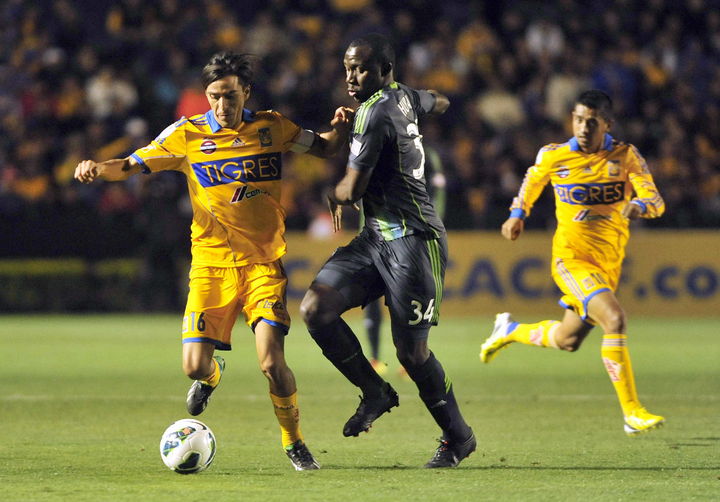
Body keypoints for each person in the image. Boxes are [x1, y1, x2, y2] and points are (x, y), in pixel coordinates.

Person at [75, 51, 353, 470]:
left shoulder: (272, 127)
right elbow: (129, 165)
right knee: (193, 366)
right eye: (214, 96)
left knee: (271, 362)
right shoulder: (186, 135)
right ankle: (211, 375)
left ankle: (293, 442)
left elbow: (325, 148)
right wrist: (97, 168)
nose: (222, 105)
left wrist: (340, 129)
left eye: (230, 96)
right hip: (210, 265)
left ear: (246, 93)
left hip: (262, 265)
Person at [300, 33, 476, 468]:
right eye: (347, 69)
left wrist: (332, 193)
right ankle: (375, 391)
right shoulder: (404, 97)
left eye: (359, 69)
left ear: (384, 69)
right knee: (315, 308)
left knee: (411, 354)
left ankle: (459, 438)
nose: (350, 78)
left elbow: (352, 189)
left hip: (414, 240)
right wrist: (421, 110)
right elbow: (438, 100)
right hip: (376, 237)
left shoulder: (375, 112)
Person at [479, 89, 666, 436]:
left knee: (568, 339)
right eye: (578, 119)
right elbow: (532, 181)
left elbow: (655, 200)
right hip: (571, 259)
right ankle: (632, 412)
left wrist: (639, 205)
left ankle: (509, 330)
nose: (583, 127)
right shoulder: (554, 155)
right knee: (615, 319)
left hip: (608, 265)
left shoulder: (625, 156)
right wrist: (518, 214)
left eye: (591, 122)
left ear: (607, 124)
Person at [365, 145, 446, 377]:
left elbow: (438, 189)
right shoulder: (374, 147)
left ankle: (414, 358)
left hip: (411, 235)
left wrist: (432, 223)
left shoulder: (426, 152)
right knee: (372, 298)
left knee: (409, 298)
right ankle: (375, 358)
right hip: (375, 235)